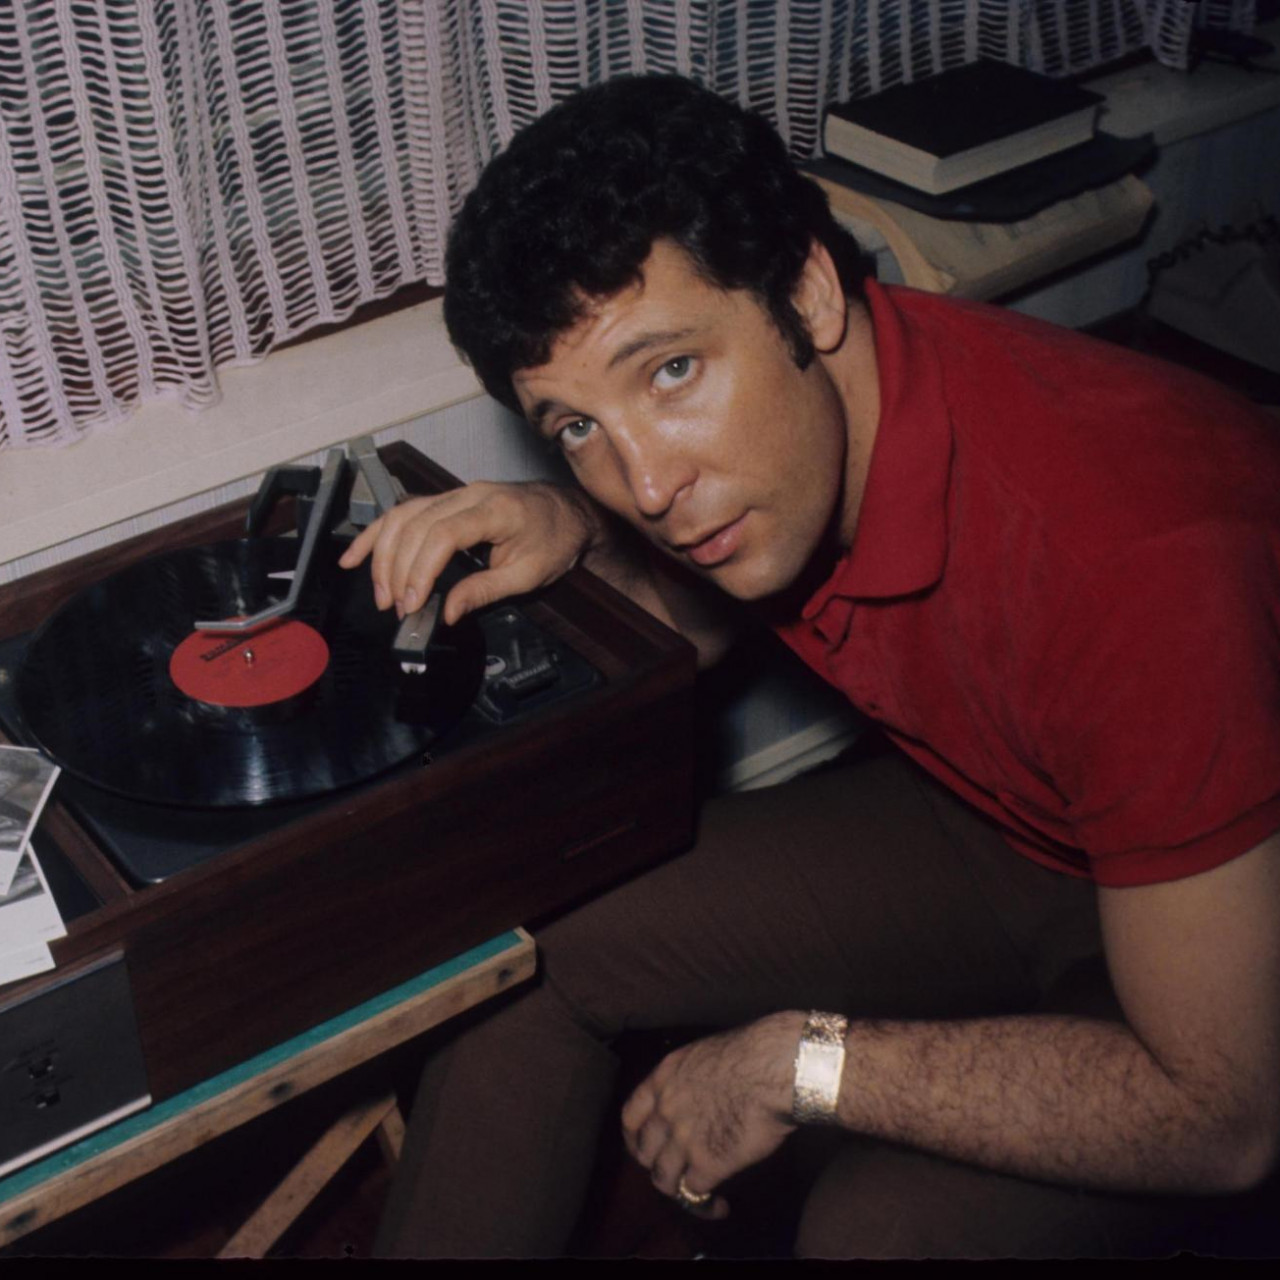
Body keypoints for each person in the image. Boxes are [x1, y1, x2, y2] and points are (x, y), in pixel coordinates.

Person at [341, 74, 1280, 1258]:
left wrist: (803, 1060)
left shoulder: (1134, 559)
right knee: (521, 953)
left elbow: (1223, 1115)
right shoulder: (784, 443)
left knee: (870, 1230)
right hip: (1018, 830)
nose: (646, 485)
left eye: (669, 371)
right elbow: (682, 623)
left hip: (1231, 935)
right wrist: (566, 521)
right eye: (577, 426)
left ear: (808, 292)